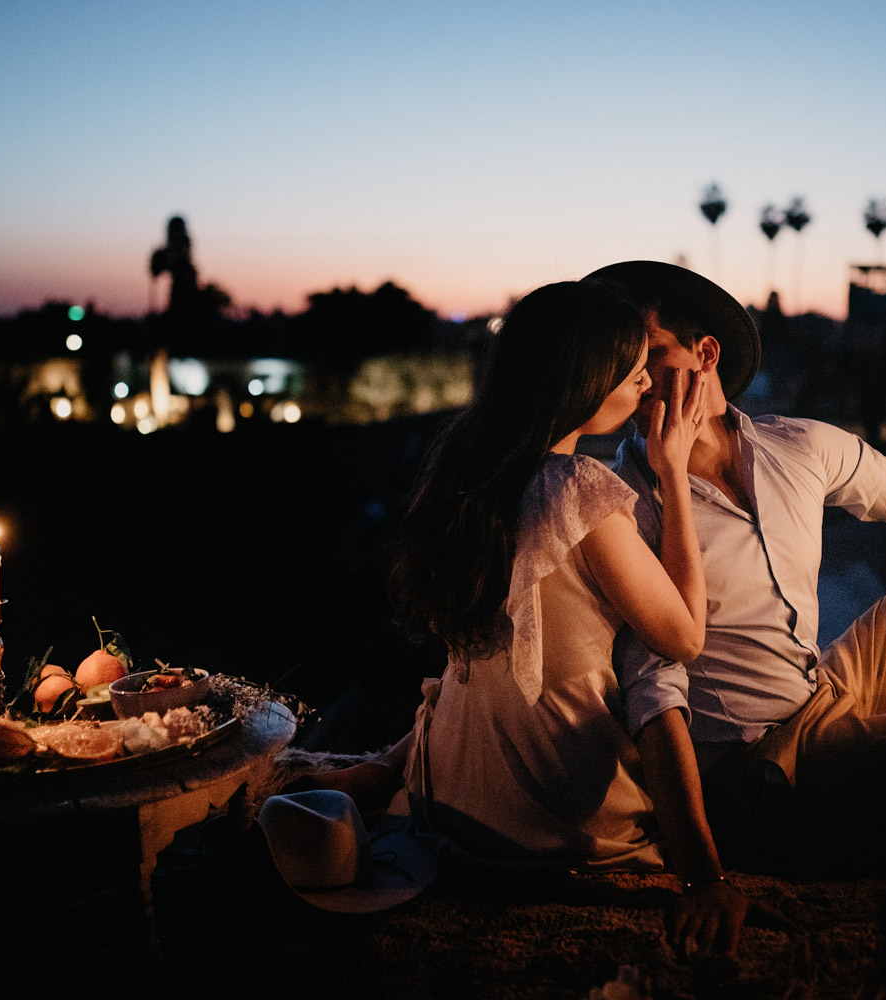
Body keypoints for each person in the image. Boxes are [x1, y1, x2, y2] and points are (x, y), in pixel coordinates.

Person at [585, 260, 886, 956]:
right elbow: (653, 692)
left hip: (823, 694)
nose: (634, 376)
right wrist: (702, 876)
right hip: (754, 770)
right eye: (624, 360)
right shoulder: (624, 501)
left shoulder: (794, 445)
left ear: (705, 352)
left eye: (651, 353)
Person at [304, 279, 712, 876]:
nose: (648, 381)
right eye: (633, 371)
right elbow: (686, 638)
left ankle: (384, 769)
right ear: (584, 379)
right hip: (549, 810)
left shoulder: (466, 469)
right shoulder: (578, 489)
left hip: (451, 790)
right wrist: (673, 471)